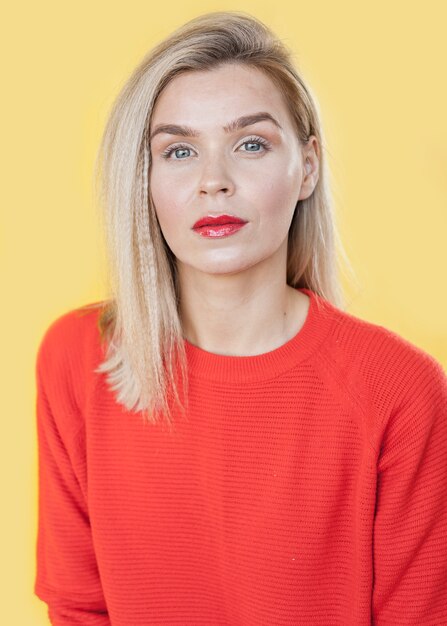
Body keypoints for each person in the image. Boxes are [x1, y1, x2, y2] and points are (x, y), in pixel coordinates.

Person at [33, 10, 447, 625]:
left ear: (306, 167)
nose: (213, 182)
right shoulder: (76, 358)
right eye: (178, 150)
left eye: (250, 144)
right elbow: (78, 608)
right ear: (142, 179)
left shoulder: (401, 390)